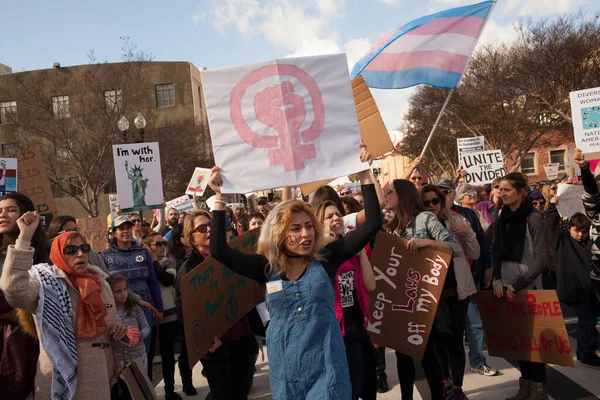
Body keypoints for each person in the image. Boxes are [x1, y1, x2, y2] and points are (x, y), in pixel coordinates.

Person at [207, 145, 381, 399]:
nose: (306, 234)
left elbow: (374, 222)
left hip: (327, 366)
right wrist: (219, 198)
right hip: (287, 371)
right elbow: (219, 251)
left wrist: (364, 171)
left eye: (309, 227)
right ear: (280, 235)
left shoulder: (326, 258)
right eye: (296, 229)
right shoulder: (266, 268)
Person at [0, 214, 128, 399]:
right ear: (57, 253)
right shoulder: (44, 285)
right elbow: (13, 289)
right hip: (66, 381)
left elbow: (112, 325)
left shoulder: (101, 283)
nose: (80, 254)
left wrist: (119, 331)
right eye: (70, 250)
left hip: (105, 376)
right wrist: (25, 237)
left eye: (84, 248)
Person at [384, 179, 460, 400]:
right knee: (402, 353)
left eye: (389, 192)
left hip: (425, 298)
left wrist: (427, 243)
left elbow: (454, 248)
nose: (386, 195)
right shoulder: (391, 225)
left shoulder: (425, 219)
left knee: (427, 353)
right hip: (401, 298)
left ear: (402, 195)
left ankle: (437, 395)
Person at [175, 210, 250, 399]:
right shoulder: (188, 270)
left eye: (211, 225)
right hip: (215, 346)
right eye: (202, 228)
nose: (209, 229)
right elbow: (186, 312)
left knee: (242, 391)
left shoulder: (234, 254)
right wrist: (206, 340)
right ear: (192, 240)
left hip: (242, 337)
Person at [491, 172, 550, 400]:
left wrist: (518, 283)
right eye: (500, 189)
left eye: (507, 189)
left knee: (534, 345)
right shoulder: (500, 215)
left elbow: (542, 259)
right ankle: (525, 388)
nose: (502, 193)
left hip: (529, 286)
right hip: (505, 286)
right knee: (518, 343)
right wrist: (497, 278)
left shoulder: (533, 218)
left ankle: (539, 389)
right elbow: (495, 249)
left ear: (521, 191)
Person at [420, 185, 478, 400]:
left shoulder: (456, 222)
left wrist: (468, 232)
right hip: (432, 295)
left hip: (457, 292)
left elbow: (476, 253)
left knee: (455, 342)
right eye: (426, 203)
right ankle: (445, 380)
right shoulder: (417, 227)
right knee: (437, 342)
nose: (432, 206)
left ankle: (458, 388)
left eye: (436, 200)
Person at [315, 200, 377, 400]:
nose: (336, 218)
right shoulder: (318, 255)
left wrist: (361, 255)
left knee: (369, 385)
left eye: (337, 214)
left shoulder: (351, 248)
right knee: (352, 387)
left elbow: (371, 285)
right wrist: (325, 243)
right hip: (337, 333)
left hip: (358, 327)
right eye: (329, 216)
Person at [437, 181, 498, 378]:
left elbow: (481, 242)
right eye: (440, 192)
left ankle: (478, 361)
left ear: (453, 193)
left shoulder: (468, 214)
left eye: (447, 192)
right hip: (443, 283)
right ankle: (446, 373)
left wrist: (488, 267)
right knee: (447, 330)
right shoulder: (430, 217)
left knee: (474, 322)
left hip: (470, 276)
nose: (443, 196)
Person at [0, 193, 49, 400]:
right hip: (7, 341)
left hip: (41, 337)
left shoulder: (45, 253)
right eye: (0, 211)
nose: (3, 215)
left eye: (11, 210)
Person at [546, 198, 599, 368]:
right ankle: (585, 353)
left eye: (583, 231)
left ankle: (587, 350)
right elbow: (551, 227)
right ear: (569, 228)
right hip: (575, 288)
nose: (580, 235)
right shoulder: (561, 242)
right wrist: (553, 206)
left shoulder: (591, 243)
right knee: (586, 321)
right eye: (576, 231)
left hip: (591, 289)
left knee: (589, 321)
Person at [101, 215, 164, 354]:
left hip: (146, 309)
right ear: (113, 233)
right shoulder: (105, 256)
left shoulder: (143, 252)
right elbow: (105, 286)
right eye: (121, 228)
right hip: (120, 312)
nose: (125, 231)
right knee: (124, 352)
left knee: (145, 351)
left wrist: (159, 308)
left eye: (128, 227)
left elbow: (152, 281)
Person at [142, 230, 184, 397]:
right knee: (148, 356)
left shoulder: (170, 262)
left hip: (169, 314)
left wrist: (154, 263)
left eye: (163, 244)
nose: (161, 247)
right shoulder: (143, 263)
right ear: (148, 247)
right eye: (157, 244)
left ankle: (170, 391)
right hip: (149, 315)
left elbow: (167, 280)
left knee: (168, 355)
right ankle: (148, 392)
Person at [109, 275, 151, 370]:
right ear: (110, 293)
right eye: (118, 291)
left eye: (125, 289)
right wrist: (121, 336)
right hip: (120, 358)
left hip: (140, 355)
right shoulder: (109, 313)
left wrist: (138, 336)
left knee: (143, 383)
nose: (123, 294)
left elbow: (146, 327)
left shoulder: (135, 308)